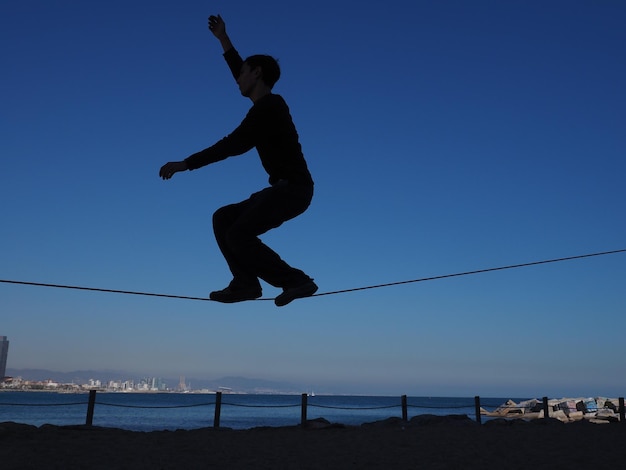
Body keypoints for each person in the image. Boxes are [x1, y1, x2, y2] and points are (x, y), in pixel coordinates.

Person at [159, 14, 317, 307]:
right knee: (224, 218)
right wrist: (223, 39)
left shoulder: (270, 107)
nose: (237, 80)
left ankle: (296, 281)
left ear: (256, 74)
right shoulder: (265, 105)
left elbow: (234, 144)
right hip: (282, 189)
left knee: (239, 234)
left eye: (243, 73)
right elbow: (240, 73)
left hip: (293, 190)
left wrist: (186, 163)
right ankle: (245, 283)